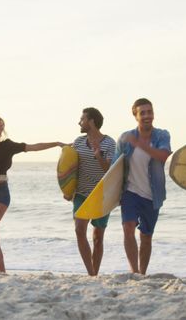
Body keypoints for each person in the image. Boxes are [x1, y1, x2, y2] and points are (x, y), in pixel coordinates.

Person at [0, 114, 64, 273]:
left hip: (0, 192)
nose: (1, 128)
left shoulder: (7, 145)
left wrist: (56, 144)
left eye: (2, 125)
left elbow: (33, 147)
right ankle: (1, 269)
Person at [113, 98, 171, 275]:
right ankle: (134, 271)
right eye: (143, 113)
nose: (147, 116)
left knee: (146, 236)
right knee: (128, 228)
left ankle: (142, 273)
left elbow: (163, 155)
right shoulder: (125, 138)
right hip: (130, 192)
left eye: (150, 112)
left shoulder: (162, 135)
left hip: (153, 195)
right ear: (135, 115)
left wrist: (140, 145)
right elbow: (114, 168)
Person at [68, 107, 116, 276]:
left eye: (82, 119)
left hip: (102, 196)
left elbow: (109, 169)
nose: (79, 122)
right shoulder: (79, 142)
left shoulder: (109, 143)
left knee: (98, 237)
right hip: (81, 193)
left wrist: (98, 155)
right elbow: (71, 167)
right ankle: (90, 274)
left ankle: (95, 272)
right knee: (79, 230)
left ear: (91, 122)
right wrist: (67, 188)